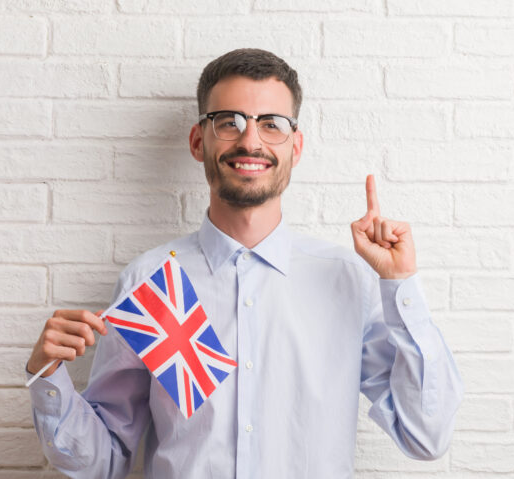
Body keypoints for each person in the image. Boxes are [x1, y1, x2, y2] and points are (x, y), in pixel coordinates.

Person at [24, 48, 463, 478]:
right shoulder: (152, 283)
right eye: (228, 122)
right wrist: (49, 375)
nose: (250, 141)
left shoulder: (348, 281)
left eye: (271, 124)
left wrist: (400, 284)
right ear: (199, 141)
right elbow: (103, 462)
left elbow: (426, 435)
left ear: (295, 146)